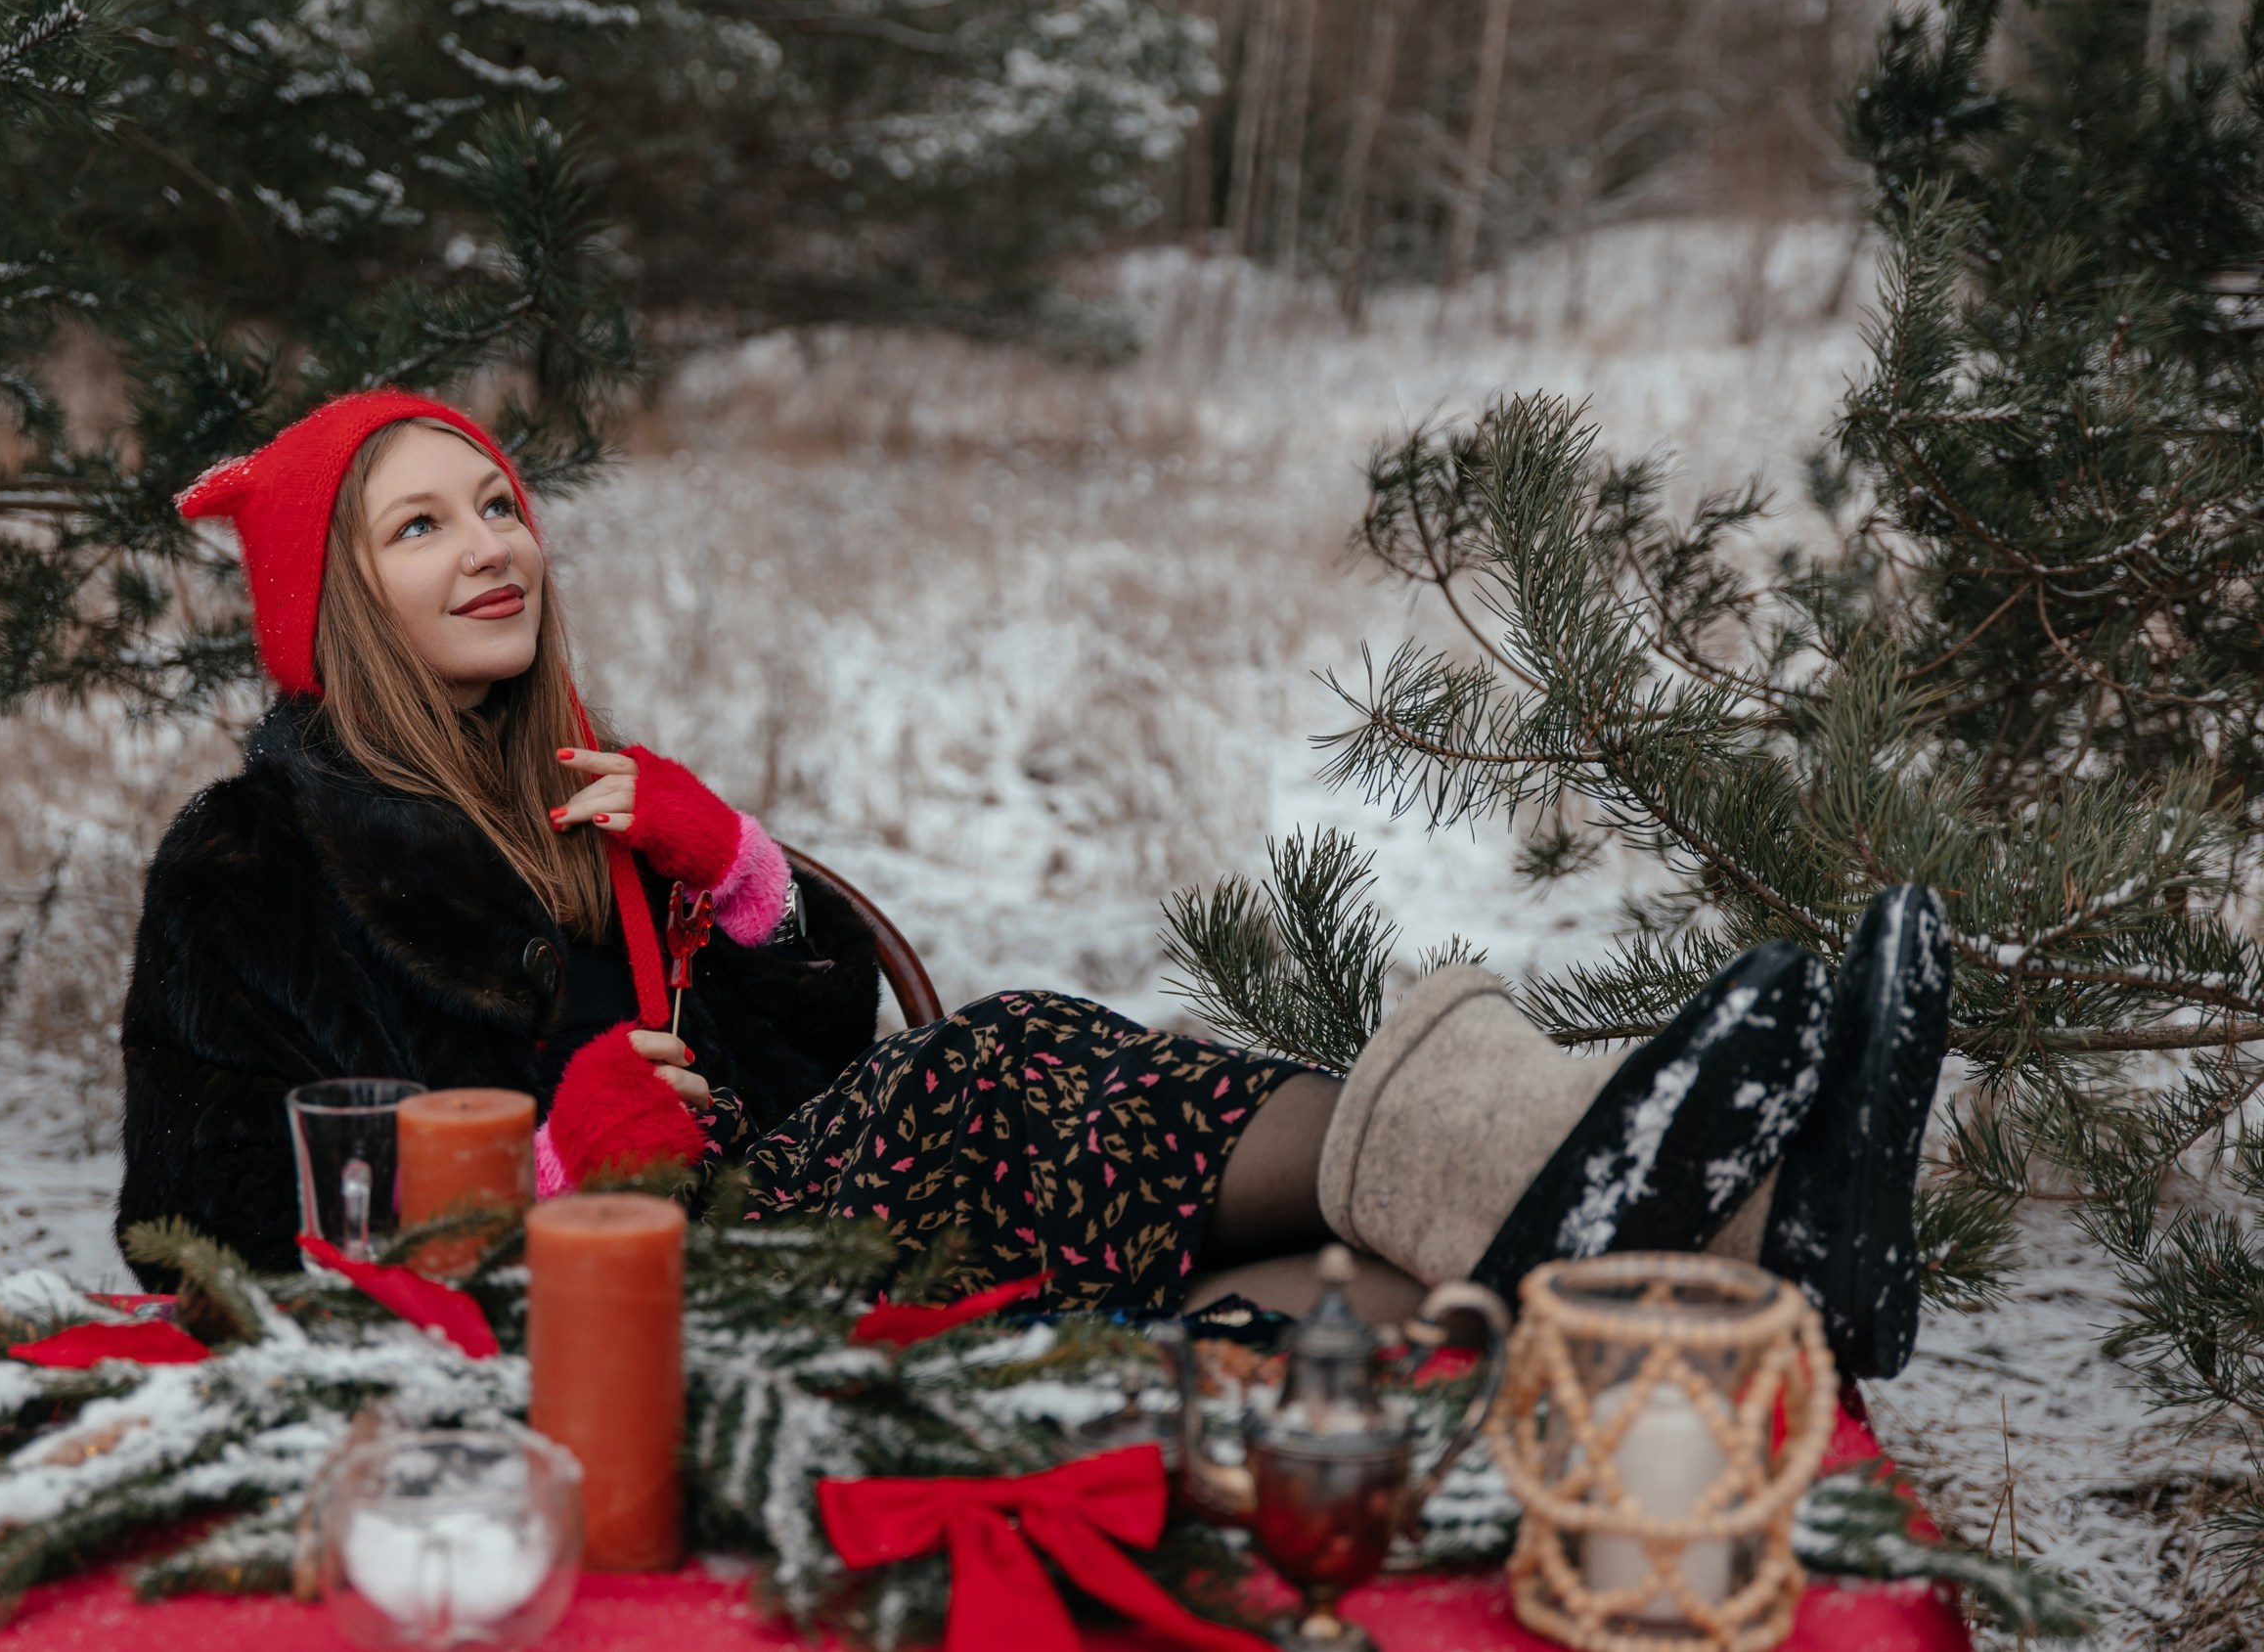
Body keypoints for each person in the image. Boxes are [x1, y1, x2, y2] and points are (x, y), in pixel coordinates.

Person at [118, 390, 1953, 1381]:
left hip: (747, 1240)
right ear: (336, 606)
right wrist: (542, 1170)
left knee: (1310, 1251)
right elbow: (197, 1239)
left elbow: (792, 1068)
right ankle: (1679, 1182)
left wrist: (737, 879)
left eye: (497, 500)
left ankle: (1750, 1246)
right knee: (1004, 1066)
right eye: (416, 524)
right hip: (549, 1340)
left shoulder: (586, 799)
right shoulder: (248, 873)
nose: (487, 543)